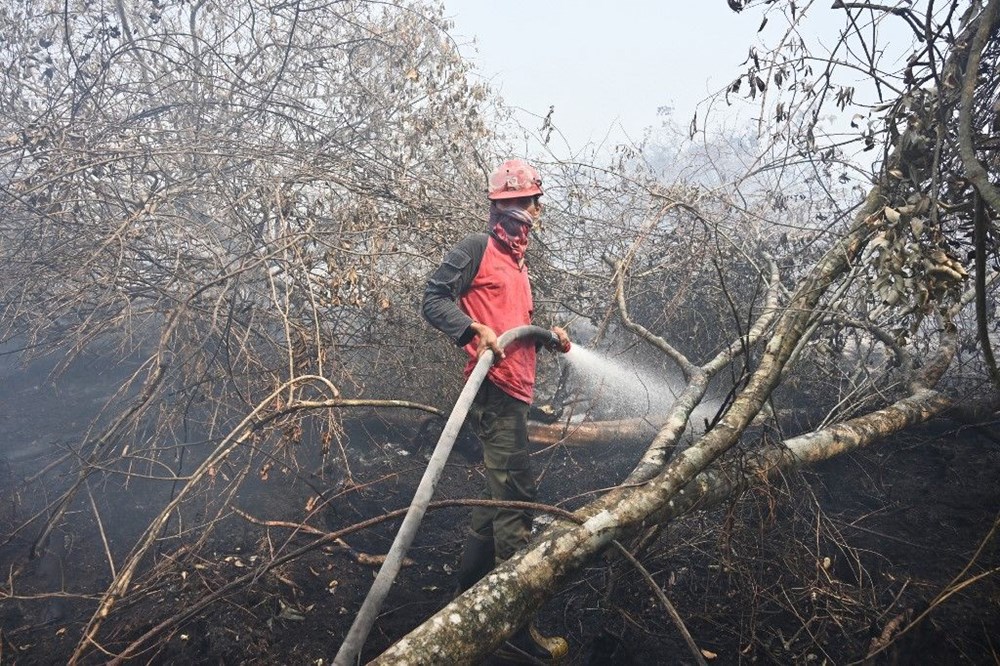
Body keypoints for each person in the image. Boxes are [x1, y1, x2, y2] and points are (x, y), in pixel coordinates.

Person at [422, 158, 571, 662]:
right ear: (505, 205)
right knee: (516, 501)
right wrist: (472, 329)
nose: (533, 212)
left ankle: (466, 597)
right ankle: (513, 628)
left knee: (495, 496)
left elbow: (513, 326)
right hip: (493, 391)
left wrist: (548, 337)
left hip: (515, 392)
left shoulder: (519, 266)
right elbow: (432, 299)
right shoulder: (477, 248)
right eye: (527, 203)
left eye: (534, 203)